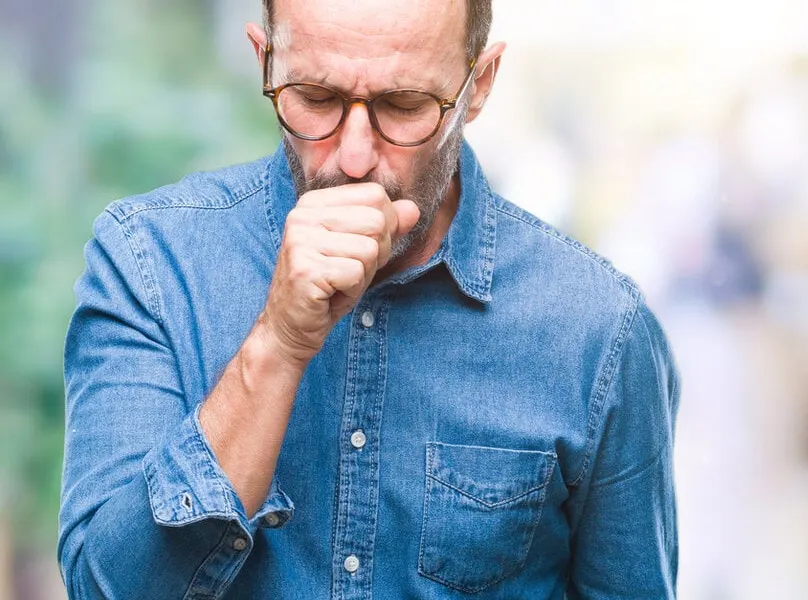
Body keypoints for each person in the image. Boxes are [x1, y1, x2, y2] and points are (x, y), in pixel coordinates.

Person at [57, 0, 680, 597]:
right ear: (264, 62)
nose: (354, 160)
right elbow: (105, 589)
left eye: (404, 105)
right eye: (316, 98)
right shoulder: (150, 264)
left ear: (480, 83)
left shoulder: (599, 330)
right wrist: (276, 344)